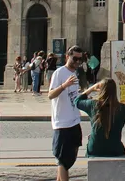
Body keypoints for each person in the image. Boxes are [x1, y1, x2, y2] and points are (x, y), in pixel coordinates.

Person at [48, 45, 84, 181]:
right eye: (75, 58)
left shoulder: (74, 73)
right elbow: (50, 95)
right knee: (62, 161)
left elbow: (75, 97)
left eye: (80, 59)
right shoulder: (60, 73)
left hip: (74, 121)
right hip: (62, 124)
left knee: (67, 162)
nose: (77, 62)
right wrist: (64, 86)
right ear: (67, 56)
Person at [76, 79, 125, 157]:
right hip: (115, 149)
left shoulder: (93, 105)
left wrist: (92, 88)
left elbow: (77, 101)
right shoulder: (122, 108)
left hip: (95, 149)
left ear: (101, 90)